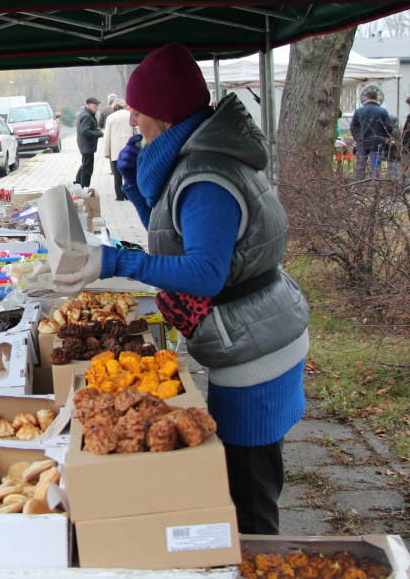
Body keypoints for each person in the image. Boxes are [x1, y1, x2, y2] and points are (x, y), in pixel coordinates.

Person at [54, 43, 309, 535]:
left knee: (248, 492)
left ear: (164, 114)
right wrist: (135, 189)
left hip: (256, 350)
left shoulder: (207, 175)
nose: (131, 118)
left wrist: (113, 261)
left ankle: (256, 557)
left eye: (139, 109)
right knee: (243, 476)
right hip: (255, 329)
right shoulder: (195, 157)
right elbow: (179, 239)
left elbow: (204, 272)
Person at [350, 86, 394, 181]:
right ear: (377, 98)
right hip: (377, 142)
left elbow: (353, 126)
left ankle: (359, 186)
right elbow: (390, 126)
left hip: (362, 142)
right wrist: (386, 137)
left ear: (366, 98)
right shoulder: (382, 111)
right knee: (375, 167)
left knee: (360, 167)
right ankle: (374, 187)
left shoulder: (359, 111)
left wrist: (357, 138)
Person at [102, 99, 133, 201]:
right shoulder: (129, 115)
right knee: (128, 172)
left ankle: (119, 195)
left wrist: (106, 152)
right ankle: (129, 194)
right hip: (129, 147)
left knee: (117, 174)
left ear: (114, 107)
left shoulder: (110, 117)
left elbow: (107, 136)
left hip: (116, 149)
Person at [74, 96, 102, 187]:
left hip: (86, 146)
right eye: (95, 105)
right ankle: (84, 187)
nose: (97, 107)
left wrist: (97, 131)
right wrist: (99, 133)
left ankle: (77, 183)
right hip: (87, 146)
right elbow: (85, 131)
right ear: (88, 105)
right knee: (87, 168)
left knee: (84, 165)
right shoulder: (87, 116)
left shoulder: (87, 114)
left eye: (97, 105)